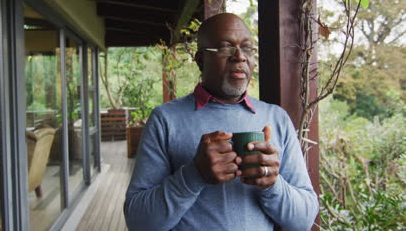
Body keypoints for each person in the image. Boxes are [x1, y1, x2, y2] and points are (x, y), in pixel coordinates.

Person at [124, 13, 318, 231]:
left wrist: (273, 184)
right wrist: (194, 174)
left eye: (247, 48)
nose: (239, 56)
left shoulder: (277, 119)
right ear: (200, 60)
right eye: (225, 47)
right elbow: (138, 222)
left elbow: (304, 219)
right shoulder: (165, 120)